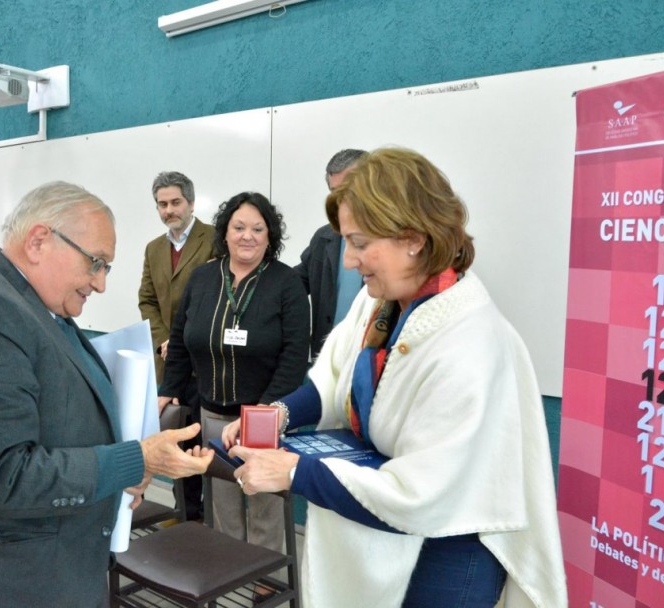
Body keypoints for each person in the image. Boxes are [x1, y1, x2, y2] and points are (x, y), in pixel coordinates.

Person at [222, 149, 567, 607]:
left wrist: (294, 470)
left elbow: (423, 496)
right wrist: (281, 413)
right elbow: (334, 382)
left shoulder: (474, 344)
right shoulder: (380, 303)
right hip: (393, 529)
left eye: (361, 243)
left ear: (414, 239)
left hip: (449, 549)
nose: (349, 260)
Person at [0, 181, 214, 608]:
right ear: (38, 241)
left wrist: (121, 472)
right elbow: (3, 475)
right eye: (96, 263)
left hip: (52, 569)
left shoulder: (29, 304)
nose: (101, 283)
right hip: (10, 584)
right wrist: (136, 459)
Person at [159, 191, 309, 552]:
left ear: (270, 236)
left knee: (264, 503)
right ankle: (229, 568)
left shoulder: (286, 283)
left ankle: (266, 578)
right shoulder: (202, 278)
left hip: (263, 417)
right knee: (221, 501)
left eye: (258, 229)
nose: (248, 236)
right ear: (224, 232)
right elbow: (179, 341)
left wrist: (264, 413)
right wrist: (168, 388)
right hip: (211, 414)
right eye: (239, 227)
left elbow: (294, 358)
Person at [137, 170, 214, 521]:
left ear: (191, 202)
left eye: (175, 202)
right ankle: (184, 513)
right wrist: (163, 340)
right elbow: (147, 300)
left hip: (206, 361)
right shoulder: (154, 248)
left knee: (203, 438)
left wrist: (181, 339)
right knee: (175, 437)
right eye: (161, 204)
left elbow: (218, 298)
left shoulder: (215, 240)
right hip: (168, 362)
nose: (169, 210)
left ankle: (206, 516)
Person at [295, 148, 367, 361]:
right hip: (328, 358)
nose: (341, 199)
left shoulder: (399, 240)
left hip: (375, 359)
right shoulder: (324, 237)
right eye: (335, 191)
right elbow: (297, 280)